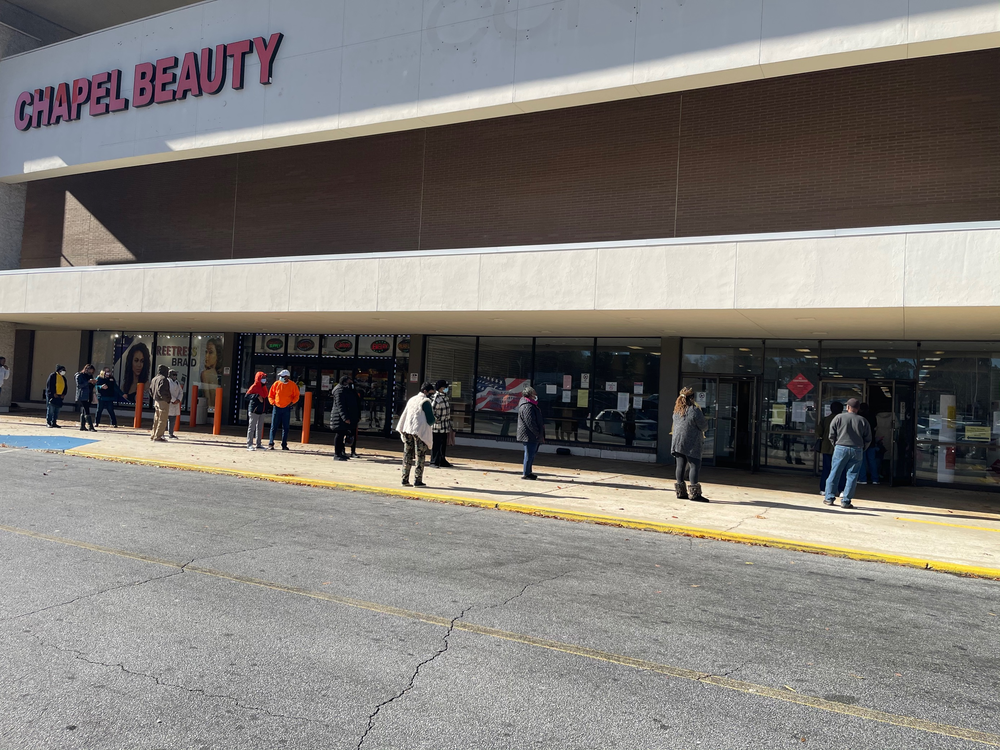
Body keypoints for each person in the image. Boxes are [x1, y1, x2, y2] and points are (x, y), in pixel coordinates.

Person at [824, 397, 873, 509]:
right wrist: (862, 448)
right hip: (857, 449)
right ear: (858, 409)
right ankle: (846, 501)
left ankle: (829, 498)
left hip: (841, 447)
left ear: (847, 407)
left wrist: (836, 445)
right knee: (852, 476)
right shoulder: (863, 420)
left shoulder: (838, 418)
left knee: (835, 472)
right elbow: (868, 438)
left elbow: (831, 434)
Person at [671, 386, 709, 502]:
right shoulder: (694, 410)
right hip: (691, 442)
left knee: (680, 465)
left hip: (677, 441)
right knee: (694, 465)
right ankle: (695, 494)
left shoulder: (677, 410)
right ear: (692, 398)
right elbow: (704, 426)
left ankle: (680, 492)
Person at [396, 381, 436, 487]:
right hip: (419, 432)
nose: (431, 395)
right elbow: (431, 420)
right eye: (430, 393)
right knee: (420, 456)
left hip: (407, 429)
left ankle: (404, 479)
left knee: (407, 454)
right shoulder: (425, 401)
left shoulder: (412, 399)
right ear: (425, 391)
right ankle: (418, 480)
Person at [816, 401, 847, 496]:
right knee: (841, 469)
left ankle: (823, 489)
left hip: (826, 447)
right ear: (842, 410)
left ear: (831, 409)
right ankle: (841, 490)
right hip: (840, 447)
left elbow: (818, 432)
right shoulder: (844, 420)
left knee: (826, 469)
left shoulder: (825, 419)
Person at [330, 375, 360, 461]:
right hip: (339, 418)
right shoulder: (339, 390)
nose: (351, 383)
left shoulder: (348, 390)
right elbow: (340, 406)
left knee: (343, 434)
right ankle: (337, 454)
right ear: (345, 382)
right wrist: (345, 418)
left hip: (348, 417)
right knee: (339, 435)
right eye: (349, 381)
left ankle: (341, 453)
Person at [516, 386, 544, 480]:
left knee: (531, 454)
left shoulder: (531, 405)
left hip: (532, 434)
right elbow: (530, 422)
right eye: (534, 393)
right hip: (529, 435)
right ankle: (526, 473)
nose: (536, 395)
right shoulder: (527, 406)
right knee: (529, 454)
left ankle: (529, 472)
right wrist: (537, 433)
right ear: (530, 395)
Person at [268, 369, 299, 450]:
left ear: (287, 377)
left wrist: (292, 403)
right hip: (276, 408)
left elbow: (296, 396)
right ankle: (271, 443)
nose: (280, 378)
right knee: (273, 426)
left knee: (285, 427)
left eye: (282, 376)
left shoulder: (292, 385)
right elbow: (270, 395)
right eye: (280, 376)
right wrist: (273, 403)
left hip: (286, 408)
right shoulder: (276, 384)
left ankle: (284, 444)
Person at [430, 379, 454, 468]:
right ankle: (433, 461)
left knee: (443, 444)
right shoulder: (435, 398)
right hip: (437, 426)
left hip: (445, 426)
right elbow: (432, 412)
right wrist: (438, 419)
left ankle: (442, 460)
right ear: (440, 388)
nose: (447, 389)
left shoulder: (445, 397)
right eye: (445, 387)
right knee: (436, 444)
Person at [245, 371, 268, 451]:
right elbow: (247, 396)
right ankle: (249, 444)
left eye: (265, 378)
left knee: (260, 428)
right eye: (263, 378)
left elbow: (265, 397)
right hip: (254, 410)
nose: (264, 380)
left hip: (262, 410)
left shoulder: (264, 387)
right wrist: (257, 396)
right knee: (251, 428)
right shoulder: (254, 386)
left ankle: (258, 444)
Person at [148, 364, 173, 442]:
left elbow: (150, 390)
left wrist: (154, 397)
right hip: (163, 401)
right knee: (162, 419)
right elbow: (162, 391)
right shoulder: (163, 379)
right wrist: (167, 399)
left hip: (156, 401)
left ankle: (153, 434)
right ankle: (158, 436)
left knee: (156, 419)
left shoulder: (154, 379)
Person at [857, 402, 880, 485]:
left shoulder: (859, 418)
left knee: (862, 461)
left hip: (861, 441)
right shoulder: (872, 417)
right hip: (871, 441)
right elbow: (875, 427)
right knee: (872, 461)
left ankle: (863, 479)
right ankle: (875, 479)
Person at [44, 364, 68, 428]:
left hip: (60, 396)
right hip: (52, 396)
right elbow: (49, 385)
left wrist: (64, 394)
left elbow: (65, 387)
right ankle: (48, 422)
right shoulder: (53, 376)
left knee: (57, 410)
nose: (63, 371)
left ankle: (54, 422)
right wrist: (53, 393)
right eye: (62, 370)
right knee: (51, 409)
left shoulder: (63, 378)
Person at [75, 364, 97, 432]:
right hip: (83, 394)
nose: (91, 372)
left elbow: (90, 385)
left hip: (89, 394)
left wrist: (93, 382)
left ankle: (82, 425)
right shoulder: (79, 375)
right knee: (87, 409)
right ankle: (90, 426)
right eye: (90, 370)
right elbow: (79, 385)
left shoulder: (89, 375)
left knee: (85, 409)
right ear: (86, 369)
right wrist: (88, 382)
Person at [167, 369, 184, 439]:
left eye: (176, 375)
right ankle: (160, 433)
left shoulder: (177, 382)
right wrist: (173, 400)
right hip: (169, 403)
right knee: (165, 420)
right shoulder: (167, 382)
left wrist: (178, 400)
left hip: (176, 403)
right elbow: (167, 393)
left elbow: (181, 392)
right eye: (174, 375)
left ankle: (171, 433)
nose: (175, 376)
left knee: (173, 420)